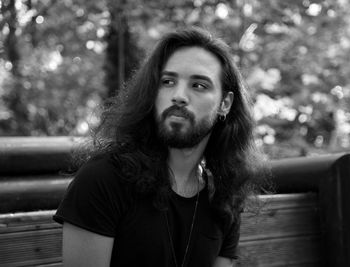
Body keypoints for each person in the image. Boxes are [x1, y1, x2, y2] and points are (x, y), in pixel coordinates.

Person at [54, 27, 268, 267]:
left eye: (199, 85)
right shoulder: (103, 179)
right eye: (167, 81)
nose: (178, 96)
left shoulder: (223, 196)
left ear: (225, 104)